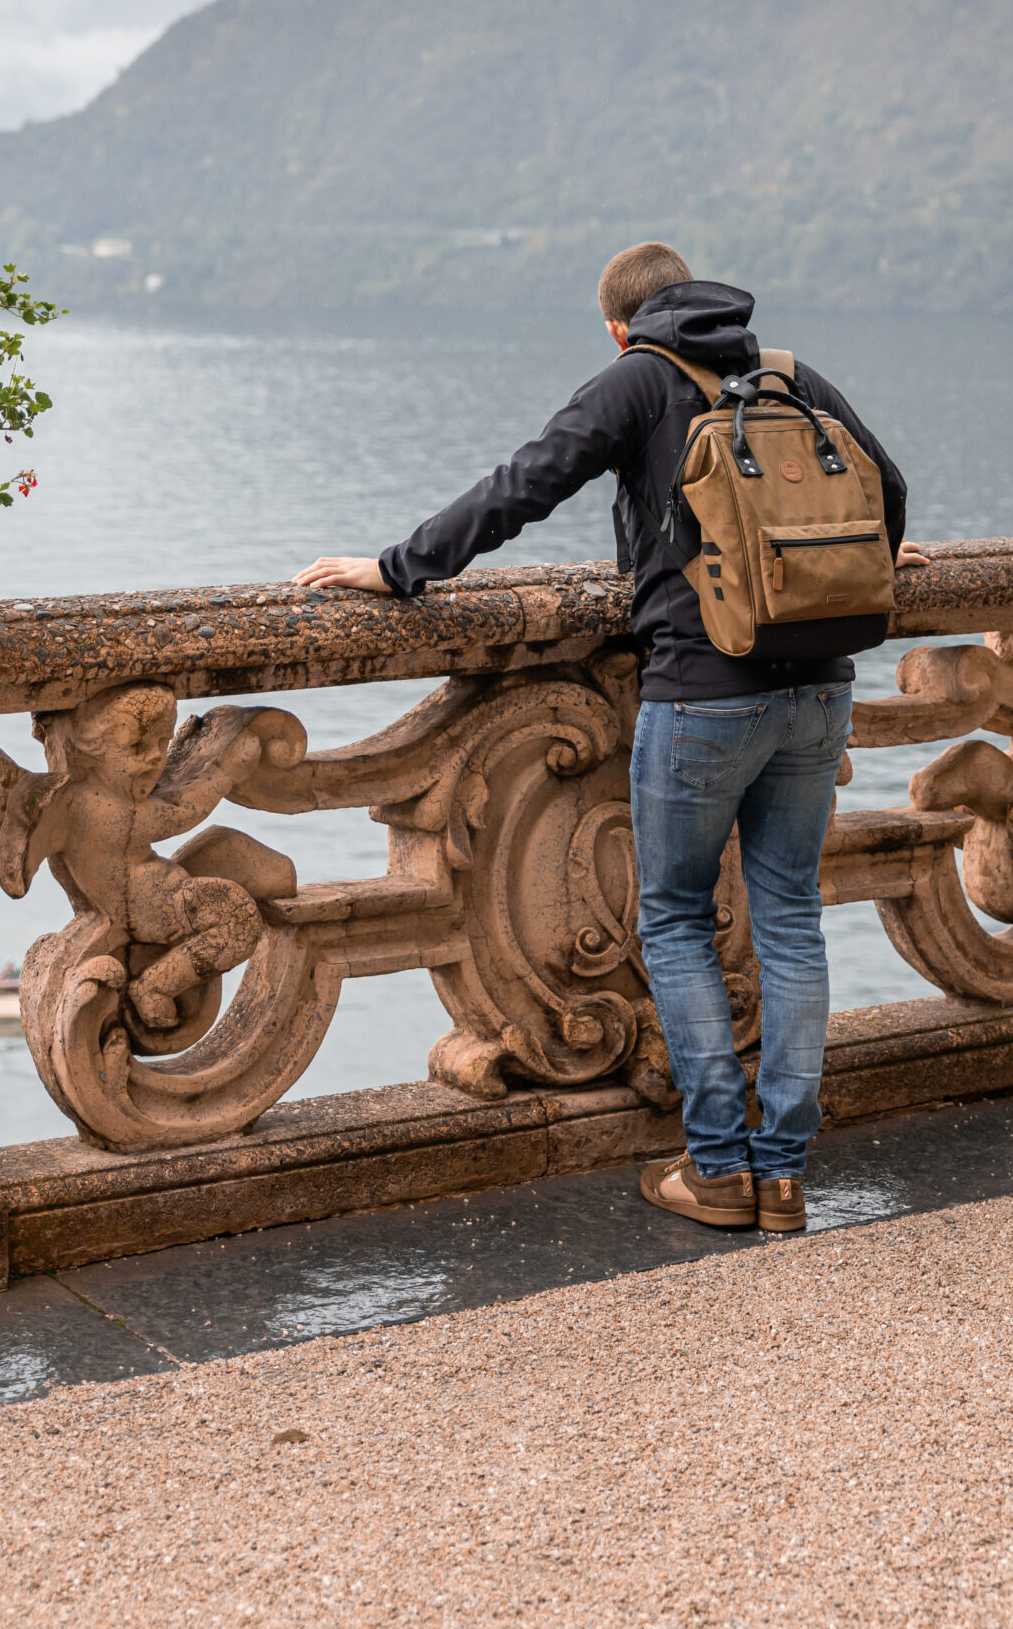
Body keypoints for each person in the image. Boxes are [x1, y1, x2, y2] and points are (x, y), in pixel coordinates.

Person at [294, 241, 920, 1235]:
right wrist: (868, 555)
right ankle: (785, 1173)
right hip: (819, 689)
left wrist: (395, 565)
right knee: (791, 917)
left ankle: (718, 1168)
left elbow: (524, 484)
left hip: (703, 692)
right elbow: (885, 489)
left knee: (673, 918)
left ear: (620, 326)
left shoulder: (639, 379)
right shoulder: (788, 376)